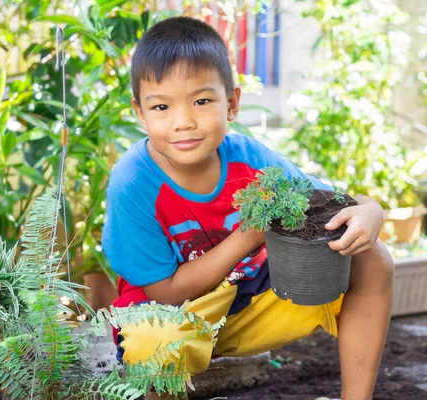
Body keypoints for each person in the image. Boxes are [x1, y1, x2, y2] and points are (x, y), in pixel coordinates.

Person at [102, 16, 394, 400]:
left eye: (202, 101)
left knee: (373, 259)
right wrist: (247, 237)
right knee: (149, 341)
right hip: (170, 319)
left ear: (232, 103)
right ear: (140, 112)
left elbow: (324, 202)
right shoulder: (132, 182)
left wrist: (371, 209)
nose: (184, 122)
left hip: (250, 304)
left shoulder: (249, 159)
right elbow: (163, 292)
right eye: (161, 107)